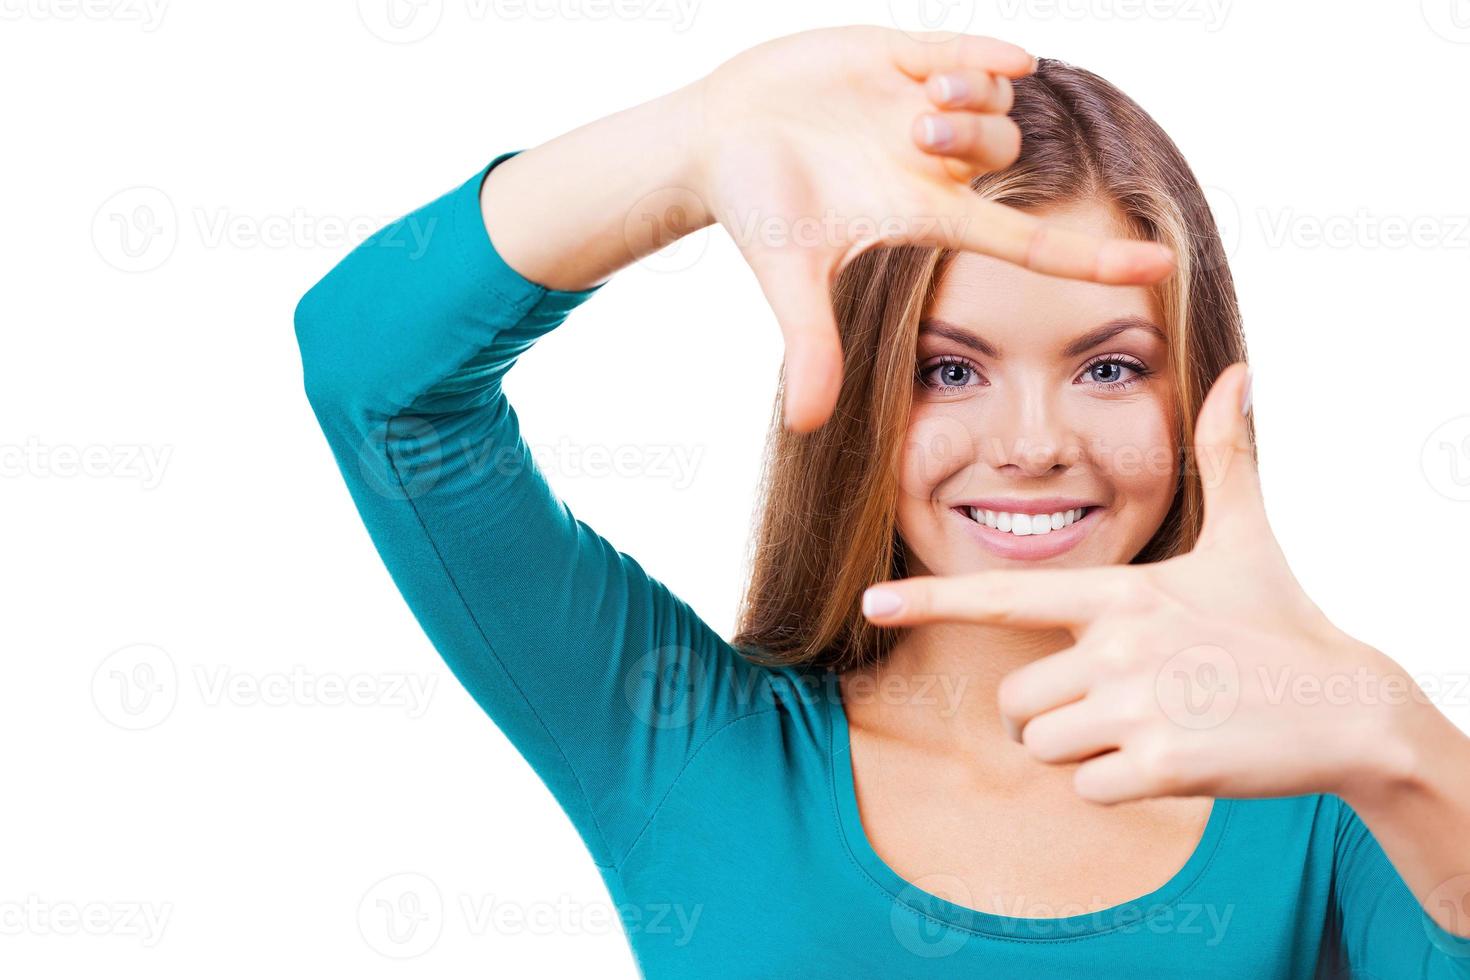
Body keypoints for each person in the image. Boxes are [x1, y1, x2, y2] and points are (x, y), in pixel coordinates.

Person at [293, 24, 1470, 977]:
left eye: (1109, 366)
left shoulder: (1329, 794)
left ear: (1195, 388)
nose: (1031, 445)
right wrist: (692, 144)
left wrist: (1400, 730)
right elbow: (376, 380)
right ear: (862, 392)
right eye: (949, 369)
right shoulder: (685, 748)